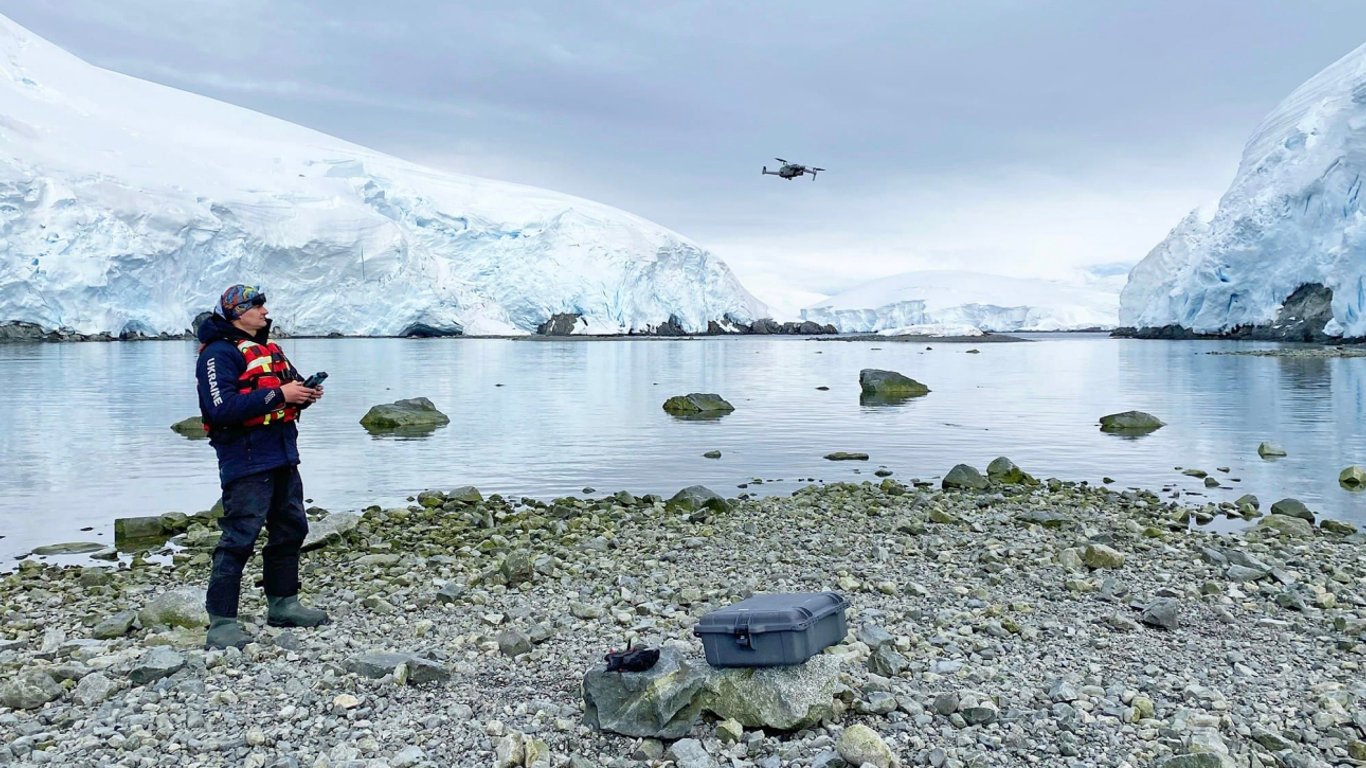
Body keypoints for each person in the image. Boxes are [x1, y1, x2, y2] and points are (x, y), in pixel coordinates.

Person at [195, 284, 329, 650]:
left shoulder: (269, 350)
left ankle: (283, 603)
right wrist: (279, 395)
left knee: (291, 528)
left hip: (282, 453)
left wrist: (303, 394)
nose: (265, 312)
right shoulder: (218, 355)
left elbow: (285, 391)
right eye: (258, 307)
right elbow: (220, 408)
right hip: (246, 458)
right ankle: (221, 622)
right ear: (237, 312)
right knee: (239, 537)